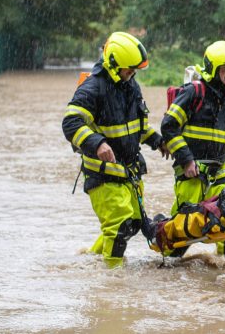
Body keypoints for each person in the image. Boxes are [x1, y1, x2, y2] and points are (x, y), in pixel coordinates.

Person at [62, 32, 168, 268]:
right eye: (128, 70)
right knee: (119, 225)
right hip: (102, 175)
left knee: (131, 224)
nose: (131, 75)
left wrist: (158, 141)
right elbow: (70, 123)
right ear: (112, 64)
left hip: (128, 172)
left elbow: (138, 128)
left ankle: (91, 259)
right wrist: (97, 143)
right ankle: (111, 278)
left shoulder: (130, 85)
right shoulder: (92, 88)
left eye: (133, 71)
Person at [161, 41, 225, 256]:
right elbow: (169, 126)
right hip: (192, 170)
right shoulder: (194, 92)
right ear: (213, 68)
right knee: (186, 228)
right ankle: (167, 263)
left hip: (221, 168)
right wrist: (186, 160)